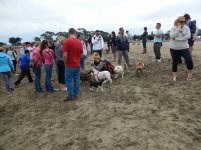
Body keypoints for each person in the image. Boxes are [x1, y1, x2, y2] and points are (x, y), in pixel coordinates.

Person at [169, 16, 193, 81]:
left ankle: (190, 74)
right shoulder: (173, 28)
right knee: (175, 62)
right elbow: (171, 36)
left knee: (189, 60)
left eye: (184, 21)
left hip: (184, 47)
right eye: (181, 21)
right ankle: (174, 76)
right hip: (174, 47)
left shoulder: (187, 28)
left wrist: (178, 39)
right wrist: (178, 29)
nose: (183, 23)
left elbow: (188, 36)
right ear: (177, 21)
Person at [62, 28, 83, 100]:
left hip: (69, 65)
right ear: (75, 33)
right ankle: (76, 94)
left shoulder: (66, 41)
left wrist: (65, 63)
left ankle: (71, 95)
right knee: (77, 79)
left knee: (68, 80)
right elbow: (81, 54)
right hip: (77, 64)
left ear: (68, 33)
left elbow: (65, 55)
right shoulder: (79, 42)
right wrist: (77, 59)